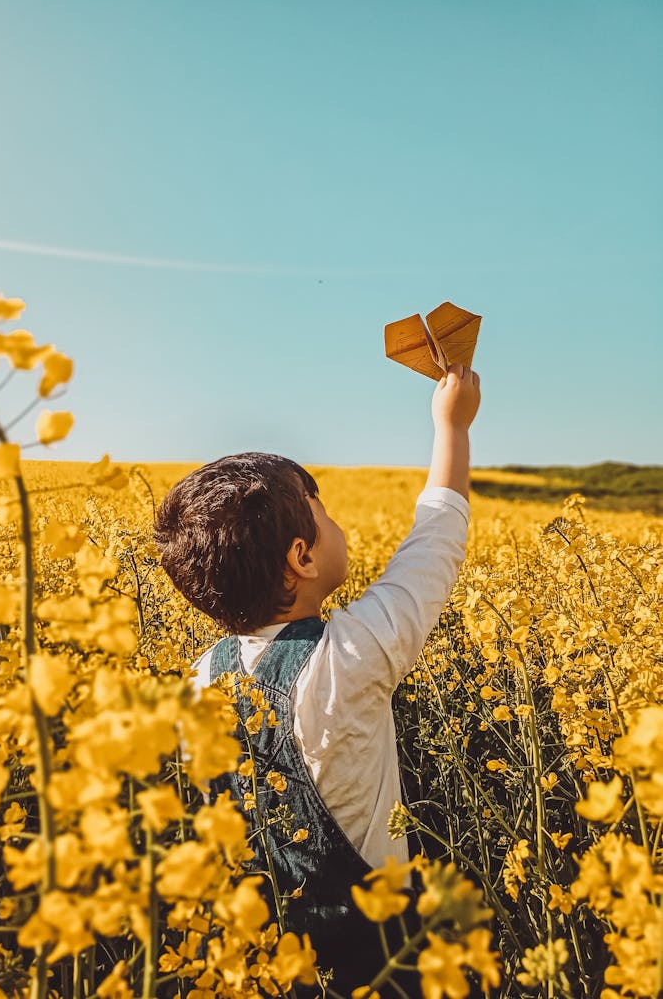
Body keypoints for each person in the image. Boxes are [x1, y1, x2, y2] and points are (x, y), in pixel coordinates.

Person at [154, 364, 481, 997]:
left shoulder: (197, 682)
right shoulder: (352, 656)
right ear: (300, 559)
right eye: (322, 514)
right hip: (382, 956)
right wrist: (453, 426)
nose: (335, 525)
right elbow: (436, 540)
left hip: (267, 960)